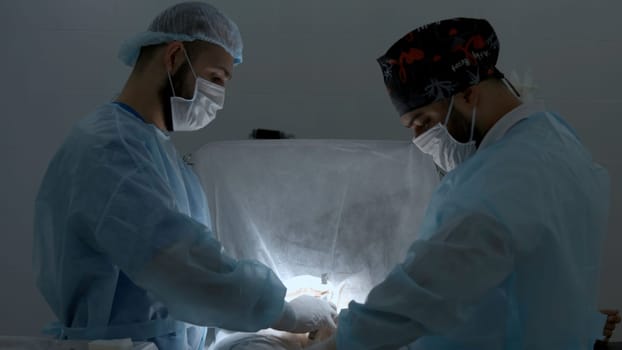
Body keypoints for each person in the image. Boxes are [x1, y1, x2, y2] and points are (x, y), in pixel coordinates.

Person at [32, 2, 336, 350]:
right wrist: (282, 313)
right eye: (216, 78)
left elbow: (190, 263)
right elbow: (179, 266)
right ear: (175, 56)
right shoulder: (111, 148)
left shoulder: (157, 152)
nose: (219, 97)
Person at [308, 17, 610, 349]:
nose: (422, 139)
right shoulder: (556, 140)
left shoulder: (500, 179)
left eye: (424, 122)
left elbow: (424, 295)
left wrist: (339, 341)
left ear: (467, 95)